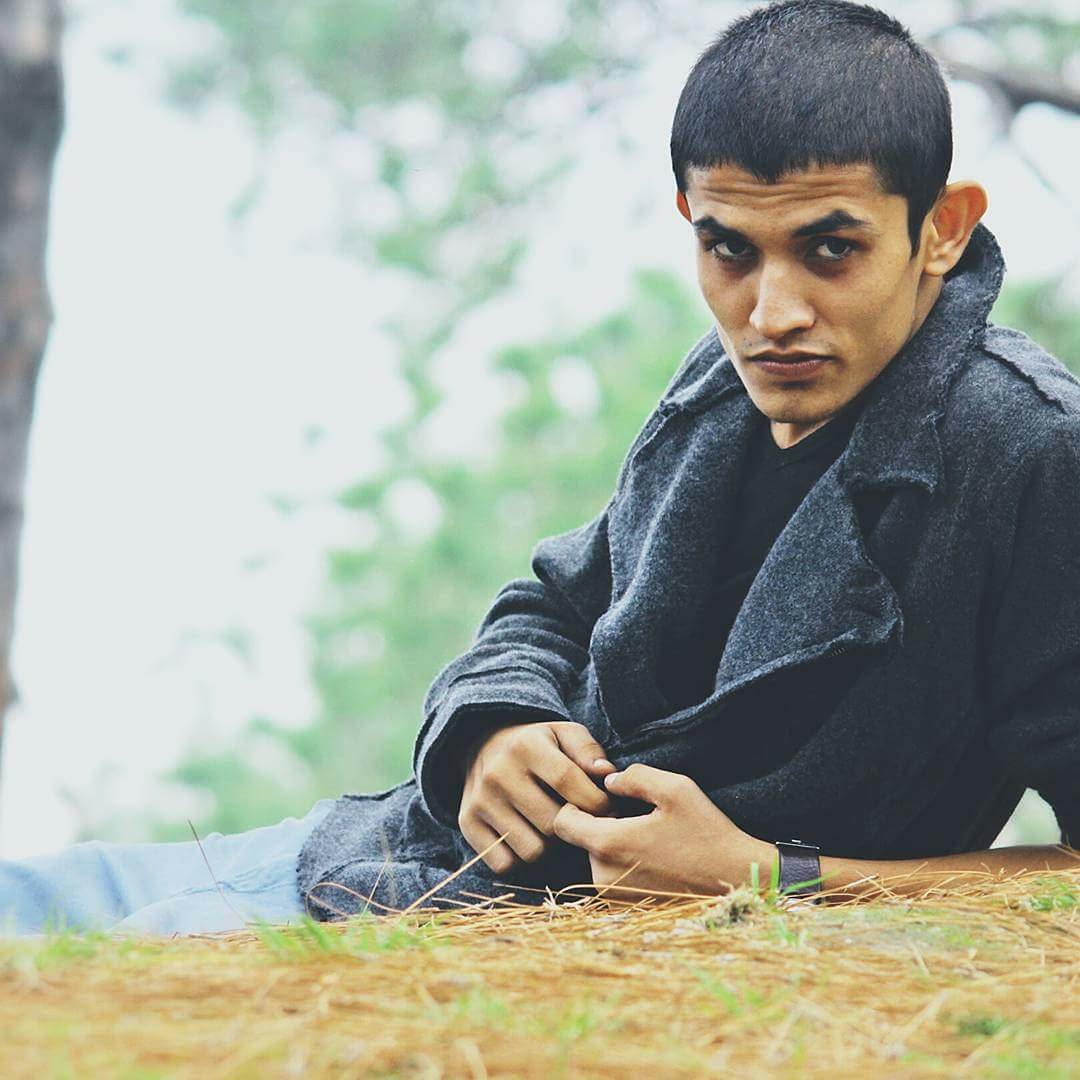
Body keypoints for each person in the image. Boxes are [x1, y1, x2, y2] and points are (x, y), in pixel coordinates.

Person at [4, 0, 1079, 937]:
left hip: (520, 931)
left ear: (942, 228)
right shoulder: (725, 381)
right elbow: (555, 602)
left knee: (111, 973)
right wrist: (492, 728)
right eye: (729, 249)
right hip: (395, 855)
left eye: (830, 249)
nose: (772, 311)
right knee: (31, 898)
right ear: (691, 222)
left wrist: (772, 878)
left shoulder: (1028, 453)